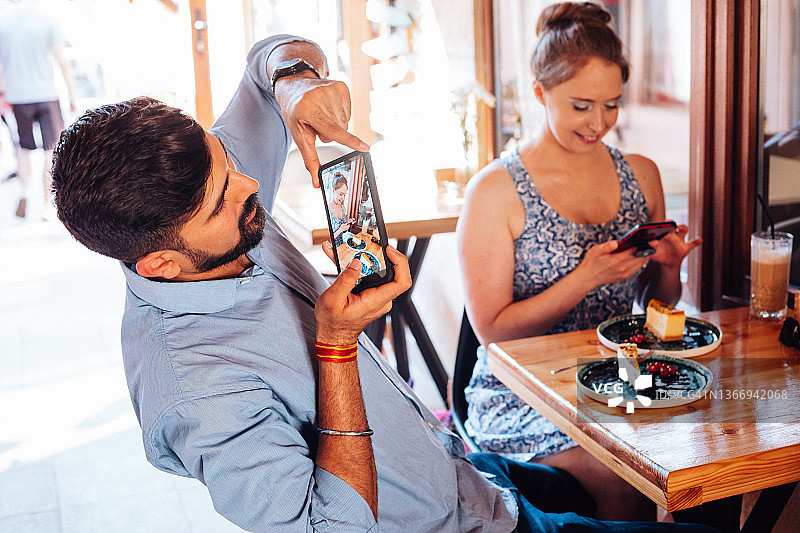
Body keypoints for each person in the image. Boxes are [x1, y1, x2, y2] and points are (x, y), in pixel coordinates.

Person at [51, 34, 717, 533]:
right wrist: (336, 347)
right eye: (225, 199)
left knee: (658, 491)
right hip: (449, 523)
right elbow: (335, 525)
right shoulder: (195, 391)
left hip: (461, 471)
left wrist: (294, 85)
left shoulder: (192, 199)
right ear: (160, 264)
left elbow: (266, 62)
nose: (252, 183)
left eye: (231, 163)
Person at [456, 1, 702, 522]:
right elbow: (493, 335)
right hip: (524, 396)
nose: (599, 124)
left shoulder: (642, 174)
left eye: (611, 105)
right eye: (581, 106)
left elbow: (656, 307)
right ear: (541, 92)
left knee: (700, 456)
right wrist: (585, 277)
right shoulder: (495, 192)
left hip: (622, 378)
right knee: (625, 478)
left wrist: (670, 267)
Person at [0, 0, 76, 219]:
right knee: (51, 150)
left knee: (23, 148)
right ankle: (46, 206)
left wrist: (2, 93)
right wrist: (72, 96)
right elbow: (62, 62)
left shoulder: (3, 25)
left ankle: (24, 192)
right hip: (46, 94)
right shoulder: (48, 22)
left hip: (18, 97)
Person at [328, 171, 356, 247]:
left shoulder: (343, 208)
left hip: (343, 247)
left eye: (344, 195)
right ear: (333, 191)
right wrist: (340, 229)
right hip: (333, 249)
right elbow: (327, 241)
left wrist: (348, 223)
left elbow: (344, 231)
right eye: (341, 194)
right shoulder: (328, 210)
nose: (343, 198)